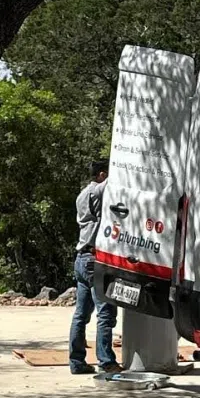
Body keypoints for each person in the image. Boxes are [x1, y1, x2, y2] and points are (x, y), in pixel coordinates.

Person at [68, 159, 119, 375]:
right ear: (100, 175)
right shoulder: (97, 191)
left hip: (81, 258)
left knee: (81, 314)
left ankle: (76, 361)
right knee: (105, 312)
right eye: (106, 174)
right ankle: (106, 361)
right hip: (93, 259)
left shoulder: (82, 194)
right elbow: (114, 181)